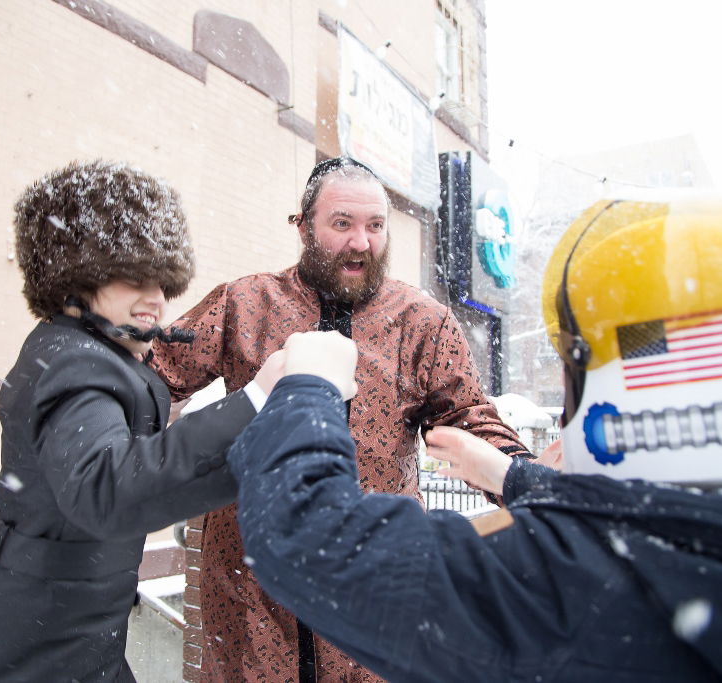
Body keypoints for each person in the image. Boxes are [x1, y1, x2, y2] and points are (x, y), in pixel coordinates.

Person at [227, 196, 722, 682]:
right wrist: (513, 476)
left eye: (571, 364)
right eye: (343, 223)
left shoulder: (564, 587)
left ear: (627, 379)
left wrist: (307, 387)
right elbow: (634, 515)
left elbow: (306, 536)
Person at [152, 157, 531, 681]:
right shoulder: (246, 303)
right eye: (342, 223)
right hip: (251, 591)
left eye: (375, 226)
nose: (361, 242)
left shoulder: (422, 323)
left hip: (373, 586)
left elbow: (469, 419)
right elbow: (152, 376)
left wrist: (528, 481)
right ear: (304, 226)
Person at [0, 161, 282, 683]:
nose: (157, 297)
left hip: (61, 635)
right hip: (29, 653)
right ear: (74, 279)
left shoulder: (82, 352)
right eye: (133, 275)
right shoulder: (77, 362)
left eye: (164, 279)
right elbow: (107, 490)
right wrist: (258, 398)